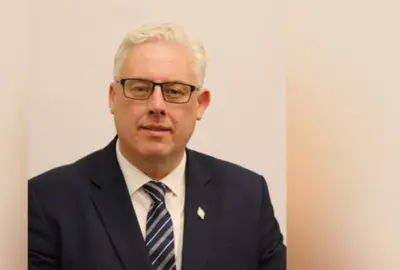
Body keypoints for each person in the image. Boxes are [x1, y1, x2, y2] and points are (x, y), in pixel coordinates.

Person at [28, 22, 286, 270]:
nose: (157, 106)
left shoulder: (248, 197)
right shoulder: (48, 202)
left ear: (200, 103)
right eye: (140, 89)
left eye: (174, 91)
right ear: (113, 97)